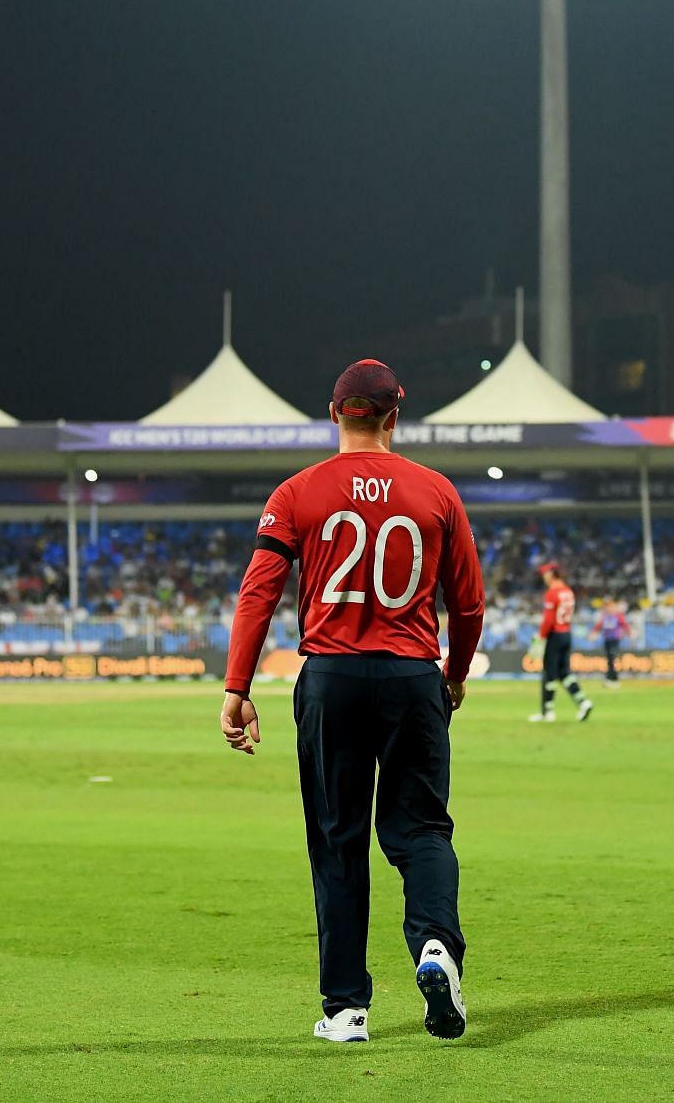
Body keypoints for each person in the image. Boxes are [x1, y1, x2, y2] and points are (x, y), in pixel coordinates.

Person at [222, 358, 484, 1045]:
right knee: (423, 831)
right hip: (411, 677)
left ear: (333, 412)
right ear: (395, 415)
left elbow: (260, 592)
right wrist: (454, 674)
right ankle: (436, 948)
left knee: (338, 842)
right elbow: (469, 602)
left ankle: (346, 1010)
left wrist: (237, 686)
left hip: (332, 677)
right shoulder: (436, 492)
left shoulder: (298, 492)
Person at [528, 563, 592, 722]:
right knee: (564, 673)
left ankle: (547, 712)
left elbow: (549, 619)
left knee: (549, 673)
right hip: (566, 634)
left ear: (551, 574)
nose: (543, 577)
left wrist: (541, 637)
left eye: (545, 573)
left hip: (555, 635)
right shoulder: (568, 591)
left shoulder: (552, 593)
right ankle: (583, 702)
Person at [590, 598, 632, 684]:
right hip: (607, 640)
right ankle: (610, 677)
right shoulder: (605, 617)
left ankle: (613, 677)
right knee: (609, 659)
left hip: (615, 639)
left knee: (613, 657)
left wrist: (629, 633)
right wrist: (593, 633)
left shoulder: (618, 616)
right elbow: (598, 626)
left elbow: (625, 625)